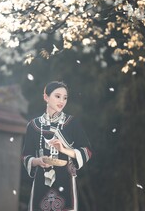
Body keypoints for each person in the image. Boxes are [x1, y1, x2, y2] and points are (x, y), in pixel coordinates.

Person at [22, 81, 92, 211]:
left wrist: (64, 150)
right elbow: (26, 156)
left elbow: (87, 151)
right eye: (57, 96)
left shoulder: (71, 123)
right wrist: (38, 161)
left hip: (65, 180)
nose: (62, 101)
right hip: (41, 181)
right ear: (46, 97)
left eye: (65, 97)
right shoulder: (33, 126)